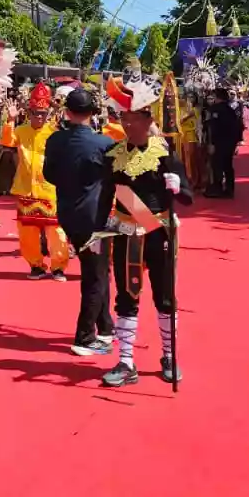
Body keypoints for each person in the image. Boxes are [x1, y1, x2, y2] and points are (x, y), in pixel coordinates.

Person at [98, 77, 190, 387]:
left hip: (159, 231)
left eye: (132, 118)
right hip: (126, 232)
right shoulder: (114, 155)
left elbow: (187, 195)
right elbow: (105, 196)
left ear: (147, 120)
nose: (126, 124)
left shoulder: (164, 153)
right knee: (126, 296)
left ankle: (169, 354)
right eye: (123, 118)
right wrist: (98, 233)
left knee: (164, 296)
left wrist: (178, 188)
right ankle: (125, 361)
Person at [42, 87, 117, 357]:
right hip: (93, 218)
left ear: (67, 111)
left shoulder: (55, 140)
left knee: (97, 271)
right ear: (93, 113)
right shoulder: (104, 144)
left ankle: (105, 325)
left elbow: (49, 174)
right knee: (95, 275)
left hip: (67, 213)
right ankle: (85, 336)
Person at [0, 83, 69, 279]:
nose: (39, 117)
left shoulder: (55, 132)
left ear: (48, 114)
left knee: (56, 232)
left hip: (50, 189)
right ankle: (36, 265)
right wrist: (10, 120)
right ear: (29, 112)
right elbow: (6, 142)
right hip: (25, 189)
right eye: (36, 113)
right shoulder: (21, 130)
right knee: (27, 233)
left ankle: (58, 267)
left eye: (43, 113)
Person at [203, 88, 243, 198]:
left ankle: (217, 189)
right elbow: (239, 125)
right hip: (230, 142)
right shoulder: (231, 109)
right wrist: (237, 141)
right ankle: (230, 189)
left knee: (217, 165)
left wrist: (212, 143)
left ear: (217, 97)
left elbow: (213, 128)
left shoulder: (215, 109)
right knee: (228, 166)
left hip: (220, 142)